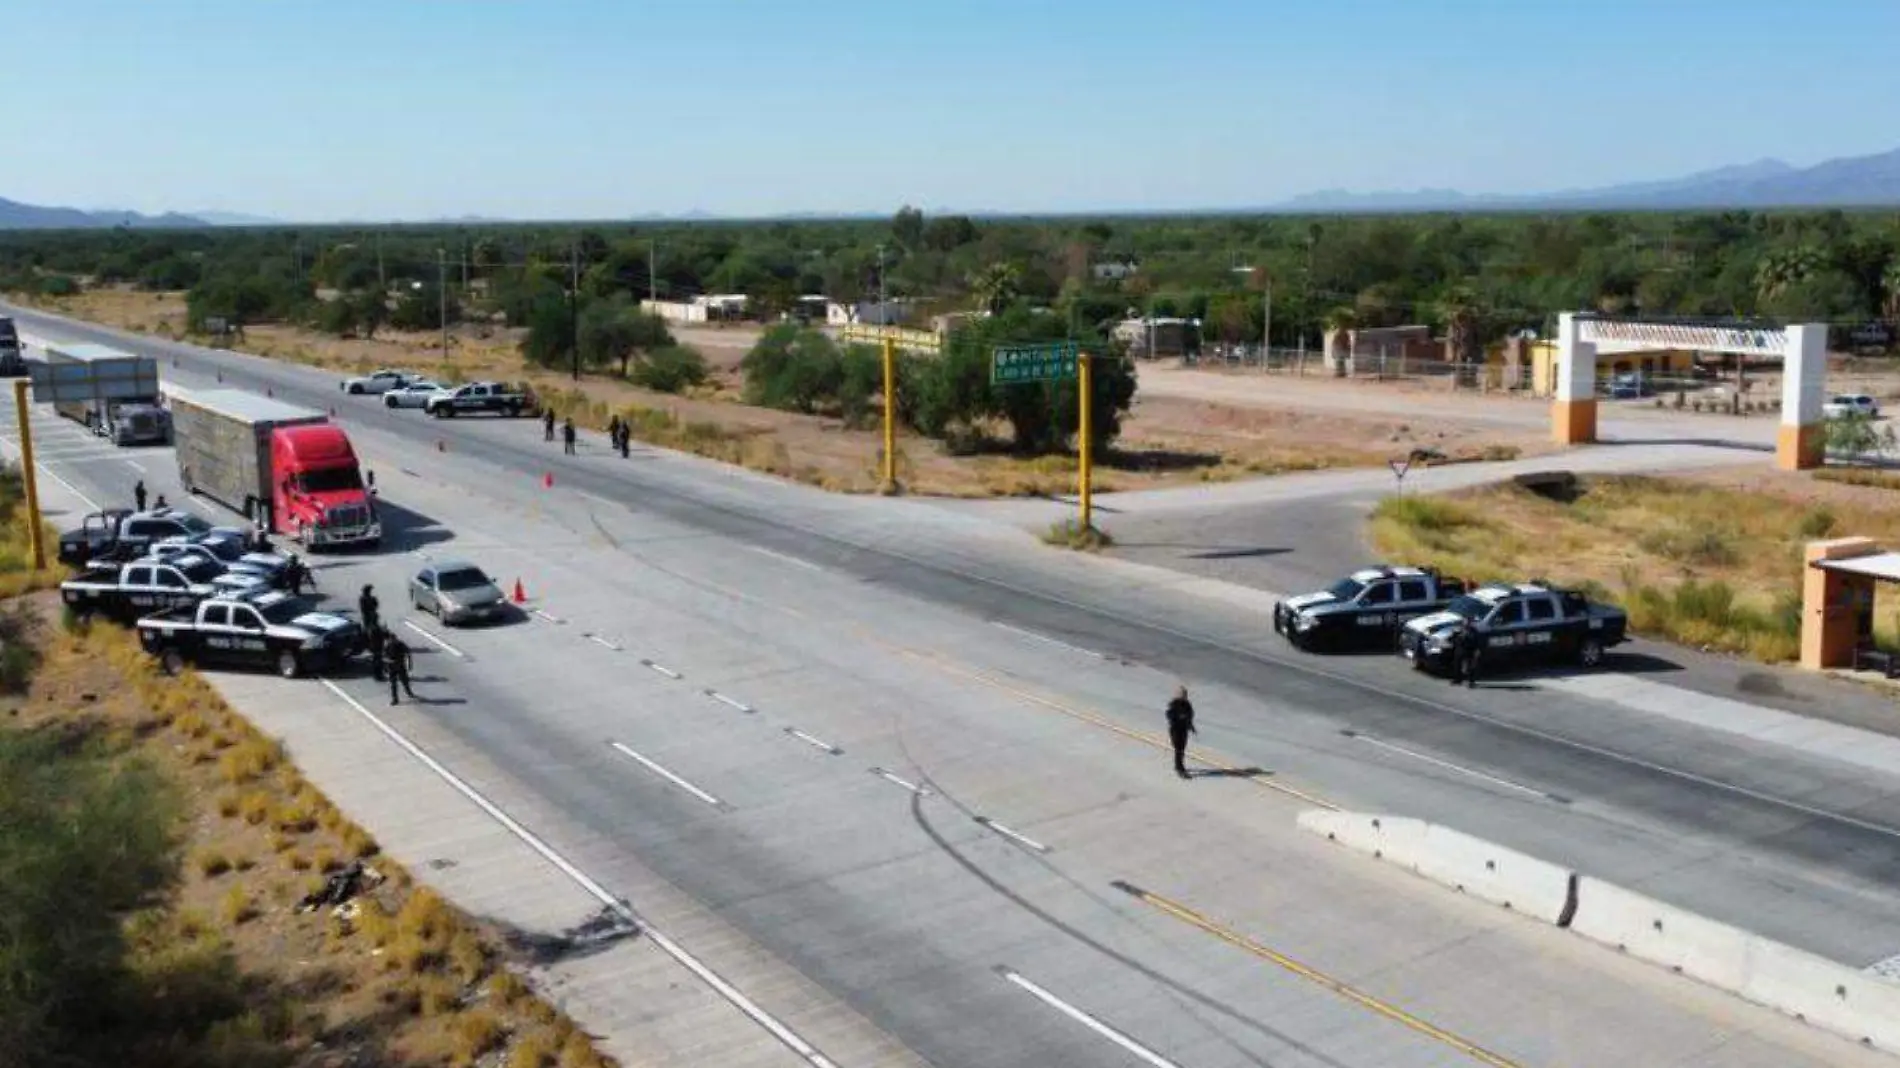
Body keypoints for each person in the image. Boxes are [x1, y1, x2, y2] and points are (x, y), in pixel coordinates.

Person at [1165, 685, 1196, 779]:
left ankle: (1178, 766)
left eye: (1185, 694)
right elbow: (1169, 715)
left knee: (1181, 749)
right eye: (1183, 694)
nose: (1184, 696)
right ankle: (1180, 768)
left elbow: (1190, 716)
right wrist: (1178, 717)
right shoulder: (1174, 704)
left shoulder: (1188, 705)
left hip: (1183, 730)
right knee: (1178, 749)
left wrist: (1191, 726)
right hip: (1175, 729)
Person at [382, 630, 415, 705]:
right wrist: (387, 664)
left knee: (404, 681)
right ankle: (395, 699)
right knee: (393, 684)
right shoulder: (387, 646)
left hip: (400, 666)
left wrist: (409, 664)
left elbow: (408, 653)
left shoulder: (400, 644)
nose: (393, 641)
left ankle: (408, 692)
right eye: (391, 640)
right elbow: (384, 657)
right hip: (392, 667)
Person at [357, 583, 382, 679]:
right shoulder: (363, 599)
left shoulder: (370, 598)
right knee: (368, 630)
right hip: (367, 617)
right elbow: (364, 609)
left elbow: (376, 605)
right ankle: (367, 642)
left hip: (371, 615)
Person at [1452, 617, 1482, 688]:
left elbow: (1477, 641)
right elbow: (1454, 639)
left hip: (1470, 650)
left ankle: (1471, 682)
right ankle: (1457, 680)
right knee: (1457, 665)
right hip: (1460, 649)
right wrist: (1458, 636)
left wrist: (1477, 650)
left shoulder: (1474, 631)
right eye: (1465, 621)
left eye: (1469, 622)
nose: (1467, 623)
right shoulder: (1459, 630)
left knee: (1471, 667)